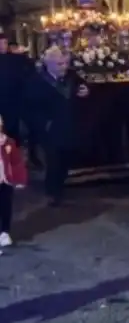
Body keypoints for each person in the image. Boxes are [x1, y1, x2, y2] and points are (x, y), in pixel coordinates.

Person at [24, 46, 89, 206]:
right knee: (53, 159)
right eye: (60, 64)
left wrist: (85, 90)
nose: (64, 67)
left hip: (70, 124)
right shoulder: (37, 81)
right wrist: (44, 125)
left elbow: (83, 85)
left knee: (66, 158)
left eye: (66, 63)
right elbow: (30, 107)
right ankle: (53, 192)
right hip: (50, 128)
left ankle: (58, 184)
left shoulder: (71, 76)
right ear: (49, 64)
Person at [0, 114, 27, 251]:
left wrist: (20, 179)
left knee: (5, 206)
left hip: (6, 180)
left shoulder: (8, 142)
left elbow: (16, 162)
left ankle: (4, 232)